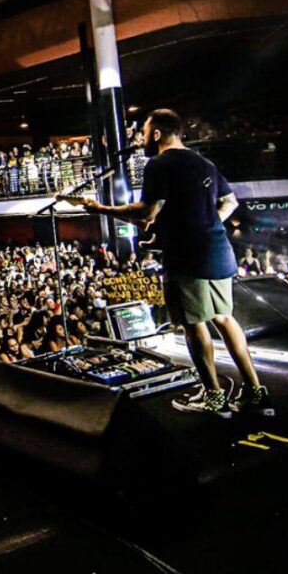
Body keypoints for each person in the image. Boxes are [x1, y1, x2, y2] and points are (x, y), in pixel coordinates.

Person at [83, 109, 272, 417]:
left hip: (187, 258)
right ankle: (255, 392)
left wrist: (101, 208)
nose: (142, 139)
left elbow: (145, 211)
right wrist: (205, 224)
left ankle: (214, 396)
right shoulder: (204, 162)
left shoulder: (159, 164)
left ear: (156, 134)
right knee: (224, 317)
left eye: (144, 133)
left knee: (194, 323)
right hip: (218, 251)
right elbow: (230, 201)